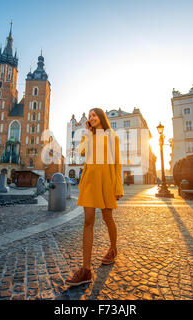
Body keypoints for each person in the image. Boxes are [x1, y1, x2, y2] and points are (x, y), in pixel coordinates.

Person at [65, 108, 124, 287]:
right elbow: (81, 152)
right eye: (90, 116)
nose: (91, 118)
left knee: (107, 217)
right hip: (90, 179)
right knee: (88, 221)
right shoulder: (88, 136)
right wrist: (88, 134)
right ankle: (86, 270)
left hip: (106, 180)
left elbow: (117, 161)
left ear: (101, 117)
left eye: (94, 115)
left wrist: (118, 186)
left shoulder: (111, 134)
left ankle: (113, 248)